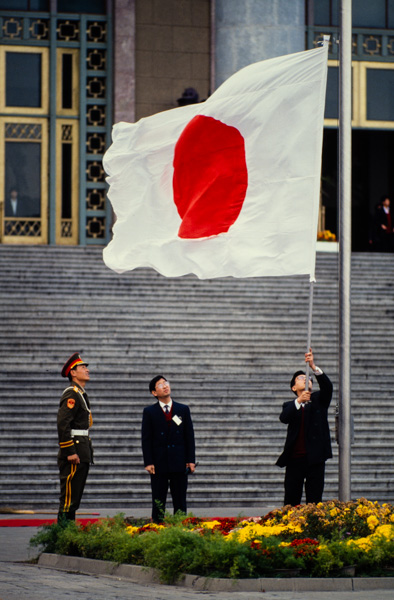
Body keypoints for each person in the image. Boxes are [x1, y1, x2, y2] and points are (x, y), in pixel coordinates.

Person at [276, 349, 333, 506]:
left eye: (308, 378)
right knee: (291, 500)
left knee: (314, 501)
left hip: (315, 459)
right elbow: (284, 418)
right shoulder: (290, 405)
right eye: (301, 378)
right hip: (295, 459)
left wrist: (313, 367)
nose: (306, 379)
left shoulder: (319, 400)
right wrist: (299, 400)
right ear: (294, 388)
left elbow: (328, 388)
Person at [141, 375, 196, 522]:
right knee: (158, 498)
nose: (165, 386)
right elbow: (146, 439)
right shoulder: (149, 412)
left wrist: (191, 460)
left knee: (180, 498)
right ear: (154, 392)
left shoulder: (182, 409)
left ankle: (180, 526)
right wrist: (148, 462)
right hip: (159, 462)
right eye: (160, 385)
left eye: (166, 383)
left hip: (179, 461)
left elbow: (189, 436)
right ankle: (157, 526)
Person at [57, 353, 93, 522]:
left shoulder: (80, 393)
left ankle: (67, 534)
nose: (87, 370)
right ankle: (61, 535)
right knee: (68, 499)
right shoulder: (72, 394)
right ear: (73, 372)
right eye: (82, 367)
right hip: (74, 451)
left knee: (74, 498)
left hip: (82, 449)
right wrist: (70, 451)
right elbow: (63, 424)